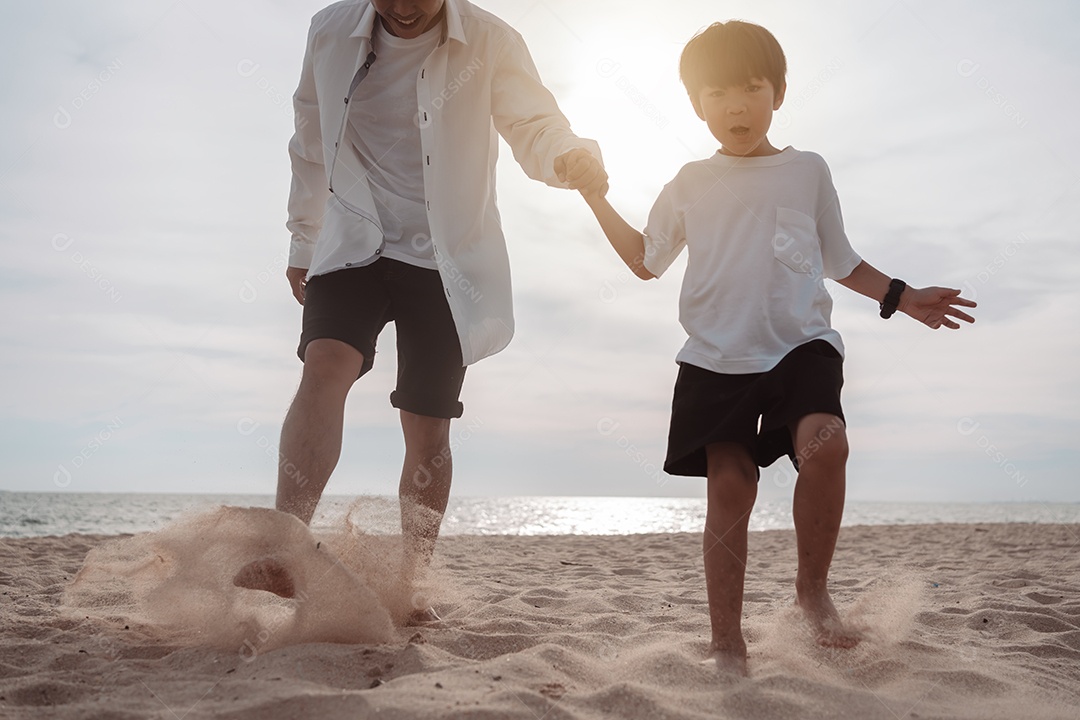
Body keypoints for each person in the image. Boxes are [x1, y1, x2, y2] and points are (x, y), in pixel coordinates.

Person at [567, 20, 976, 674]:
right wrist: (595, 196)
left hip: (800, 348)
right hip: (715, 361)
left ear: (779, 92)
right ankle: (727, 641)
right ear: (697, 104)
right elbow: (646, 260)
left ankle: (812, 595)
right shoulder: (690, 180)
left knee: (827, 443)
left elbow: (838, 258)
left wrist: (901, 295)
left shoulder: (807, 171)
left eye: (751, 88)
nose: (734, 105)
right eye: (716, 92)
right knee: (731, 486)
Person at [277, 0, 606, 619]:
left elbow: (535, 121)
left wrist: (566, 157)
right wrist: (303, 235)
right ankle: (283, 546)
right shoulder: (328, 29)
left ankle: (412, 584)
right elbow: (310, 137)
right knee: (324, 363)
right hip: (353, 236)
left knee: (427, 425)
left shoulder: (491, 40)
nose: (402, 7)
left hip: (446, 257)